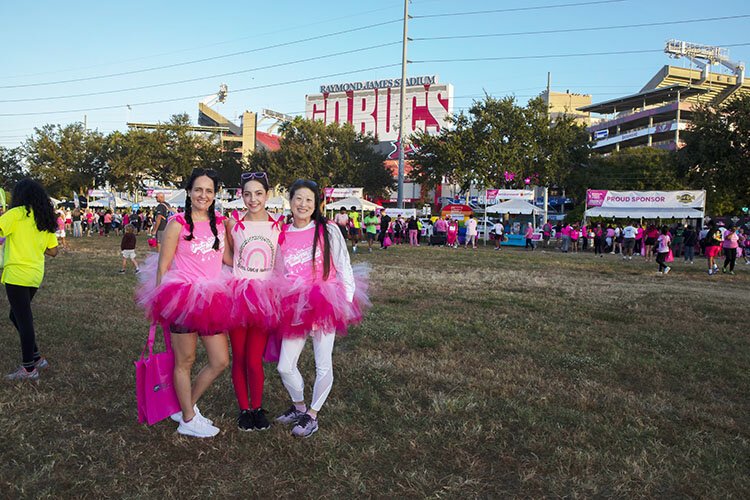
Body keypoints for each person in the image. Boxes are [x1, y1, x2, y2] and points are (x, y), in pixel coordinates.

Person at [136, 169, 231, 438]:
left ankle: (184, 406)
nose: (203, 195)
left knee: (220, 360)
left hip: (212, 298)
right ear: (189, 192)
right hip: (183, 298)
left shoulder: (221, 223)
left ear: (215, 195)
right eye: (198, 189)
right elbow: (163, 266)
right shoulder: (177, 223)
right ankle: (188, 419)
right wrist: (160, 304)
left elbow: (228, 259)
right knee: (185, 360)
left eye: (209, 191)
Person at [274, 179, 369, 438]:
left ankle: (312, 415)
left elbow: (343, 266)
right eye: (298, 198)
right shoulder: (282, 233)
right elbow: (279, 271)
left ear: (316, 204)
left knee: (322, 363)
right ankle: (299, 407)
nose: (303, 204)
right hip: (295, 306)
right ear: (290, 200)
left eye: (309, 200)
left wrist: (344, 305)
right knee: (285, 365)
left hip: (325, 303)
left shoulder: (327, 230)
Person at [224, 172, 281, 432]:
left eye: (258, 193)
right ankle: (244, 409)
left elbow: (281, 262)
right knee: (239, 356)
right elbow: (227, 256)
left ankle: (257, 408)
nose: (253, 199)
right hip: (237, 298)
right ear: (241, 195)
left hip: (264, 300)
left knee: (254, 359)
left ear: (267, 195)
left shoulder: (278, 225)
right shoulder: (233, 223)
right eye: (247, 194)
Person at [0, 179, 59, 380]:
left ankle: (28, 368)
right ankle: (36, 357)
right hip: (34, 274)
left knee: (24, 320)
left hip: (16, 273)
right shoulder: (43, 218)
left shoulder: (15, 215)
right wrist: (34, 243)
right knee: (15, 316)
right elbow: (53, 251)